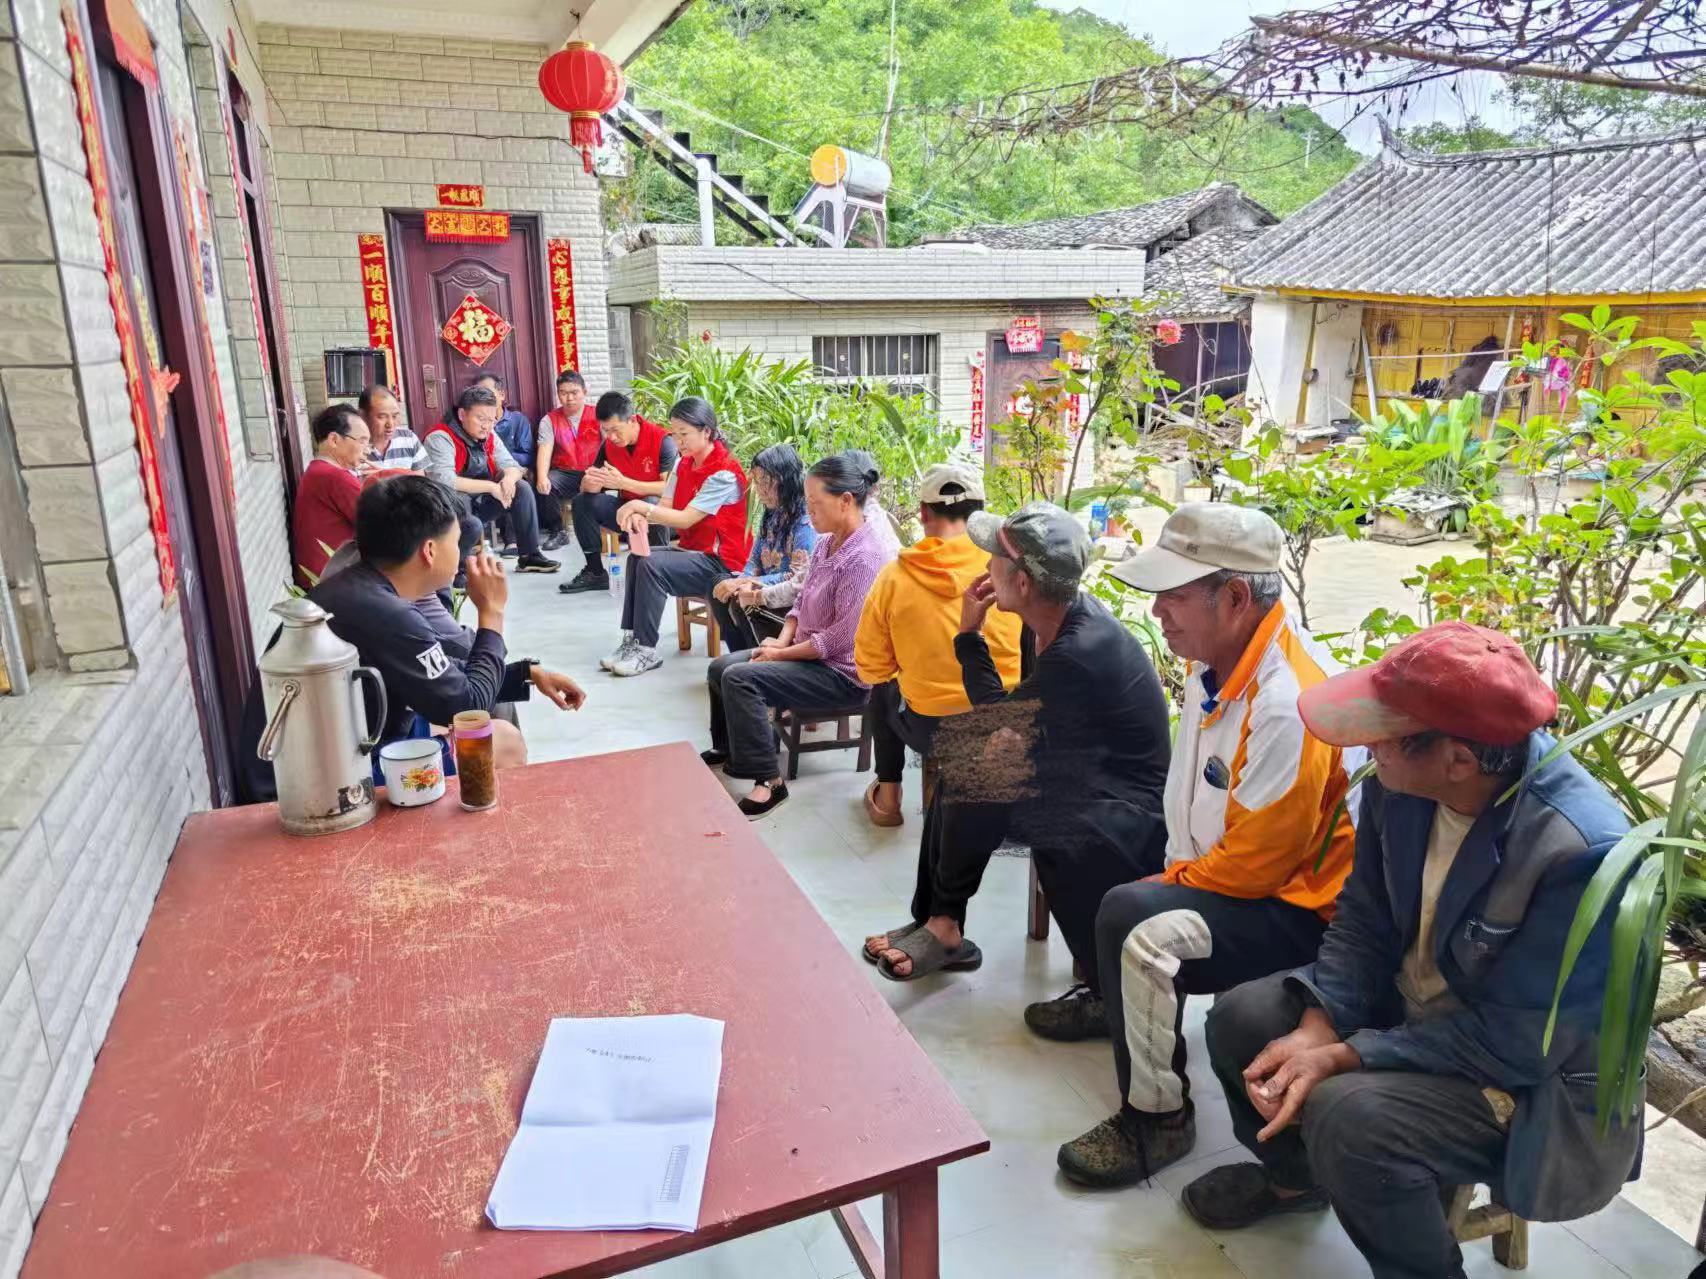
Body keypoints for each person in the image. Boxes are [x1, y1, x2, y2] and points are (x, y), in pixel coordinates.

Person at [1180, 622, 1640, 1279]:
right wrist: (1319, 1023)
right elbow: (1364, 919)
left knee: (1348, 1115)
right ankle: (1294, 1178)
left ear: (1458, 760)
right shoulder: (1401, 789)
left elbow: (1517, 1042)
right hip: (1418, 1013)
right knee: (1241, 1018)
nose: (1367, 745)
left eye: (1384, 733)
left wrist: (1349, 1053)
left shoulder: (1580, 850)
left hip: (1524, 1078)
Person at [1053, 501, 1363, 1186]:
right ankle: (1118, 1002)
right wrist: (1169, 870)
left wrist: (1164, 885)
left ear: (1235, 597)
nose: (1158, 611)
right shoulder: (1217, 660)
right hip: (1224, 868)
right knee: (1086, 842)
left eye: (1174, 594)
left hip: (1298, 908)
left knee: (1135, 921)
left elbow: (1257, 867)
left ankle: (1156, 1118)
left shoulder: (1288, 699)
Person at [863, 503, 1171, 994]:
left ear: (1023, 583)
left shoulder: (1079, 649)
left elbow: (997, 720)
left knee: (977, 770)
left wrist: (969, 635)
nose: (984, 566)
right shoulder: (1052, 622)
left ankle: (949, 928)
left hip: (1123, 809)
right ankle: (937, 922)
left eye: (993, 558)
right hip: (1076, 769)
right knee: (968, 765)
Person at [309, 475, 585, 772]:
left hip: (352, 746)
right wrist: (491, 612)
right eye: (456, 542)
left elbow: (443, 680)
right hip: (350, 774)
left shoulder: (360, 587)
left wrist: (526, 673)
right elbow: (466, 707)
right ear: (429, 551)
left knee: (489, 715)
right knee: (504, 742)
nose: (463, 553)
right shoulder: (387, 613)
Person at [702, 451, 896, 817]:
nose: (809, 511)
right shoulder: (826, 542)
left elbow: (838, 641)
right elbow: (802, 598)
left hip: (841, 674)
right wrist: (782, 639)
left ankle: (769, 782)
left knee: (742, 678)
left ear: (845, 500)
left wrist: (780, 654)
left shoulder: (865, 558)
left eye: (815, 503)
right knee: (720, 668)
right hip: (810, 654)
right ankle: (730, 750)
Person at [854, 461, 1022, 828]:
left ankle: (889, 796)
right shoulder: (1009, 570)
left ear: (923, 512)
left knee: (883, 689)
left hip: (933, 729)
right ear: (982, 513)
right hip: (1007, 721)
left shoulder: (894, 577)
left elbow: (871, 667)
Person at [602, 397, 751, 677]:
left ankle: (646, 650)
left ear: (706, 432)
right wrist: (641, 516)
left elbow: (685, 518)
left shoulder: (724, 473)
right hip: (693, 552)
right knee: (637, 558)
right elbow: (665, 508)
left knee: (651, 565)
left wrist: (639, 506)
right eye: (675, 434)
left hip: (722, 563)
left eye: (685, 434)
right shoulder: (683, 464)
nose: (678, 441)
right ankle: (632, 641)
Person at [420, 384, 559, 573]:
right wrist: (492, 487)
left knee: (521, 488)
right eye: (480, 419)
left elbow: (513, 466)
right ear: (462, 414)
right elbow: (445, 481)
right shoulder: (440, 437)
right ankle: (457, 569)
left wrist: (509, 478)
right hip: (450, 506)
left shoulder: (489, 434)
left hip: (480, 501)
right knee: (462, 501)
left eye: (491, 420)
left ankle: (530, 556)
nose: (486, 426)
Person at [557, 392, 678, 594]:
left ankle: (659, 572)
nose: (611, 437)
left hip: (666, 518)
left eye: (615, 430)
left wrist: (624, 483)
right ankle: (595, 572)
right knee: (582, 501)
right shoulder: (609, 446)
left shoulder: (662, 441)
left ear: (632, 420)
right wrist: (589, 483)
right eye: (605, 431)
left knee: (650, 502)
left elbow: (667, 488)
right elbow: (592, 485)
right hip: (627, 514)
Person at [708, 443, 816, 652]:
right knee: (718, 585)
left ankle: (756, 658)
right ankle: (739, 654)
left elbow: (797, 579)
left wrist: (747, 583)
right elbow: (754, 559)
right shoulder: (772, 512)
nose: (760, 489)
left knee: (743, 599)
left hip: (788, 600)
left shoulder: (806, 520)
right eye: (757, 481)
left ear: (786, 479)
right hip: (763, 585)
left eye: (766, 481)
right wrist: (741, 581)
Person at [292, 403, 370, 586]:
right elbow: (383, 526)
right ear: (334, 440)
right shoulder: (336, 477)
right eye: (362, 441)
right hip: (336, 584)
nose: (367, 450)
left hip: (323, 582)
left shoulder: (316, 471)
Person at [532, 370, 599, 553]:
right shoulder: (549, 420)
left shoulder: (598, 414)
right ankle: (558, 531)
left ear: (584, 392)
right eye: (563, 393)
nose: (569, 398)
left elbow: (610, 447)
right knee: (547, 482)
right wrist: (542, 477)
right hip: (566, 472)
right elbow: (545, 450)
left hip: (595, 471)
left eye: (574, 392)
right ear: (558, 394)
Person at [359, 385, 421, 468]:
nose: (390, 424)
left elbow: (420, 475)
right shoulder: (353, 445)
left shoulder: (409, 438)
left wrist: (387, 473)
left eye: (395, 416)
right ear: (363, 416)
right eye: (382, 417)